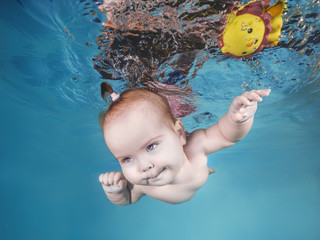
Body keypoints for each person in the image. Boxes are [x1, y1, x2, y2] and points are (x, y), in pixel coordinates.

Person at [98, 82, 271, 205]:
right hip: (195, 178)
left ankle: (204, 170)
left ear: (179, 133)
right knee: (200, 172)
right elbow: (128, 199)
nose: (144, 167)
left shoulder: (194, 148)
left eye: (151, 146)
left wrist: (237, 120)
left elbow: (226, 136)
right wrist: (116, 192)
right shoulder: (142, 185)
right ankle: (204, 171)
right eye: (126, 159)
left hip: (194, 169)